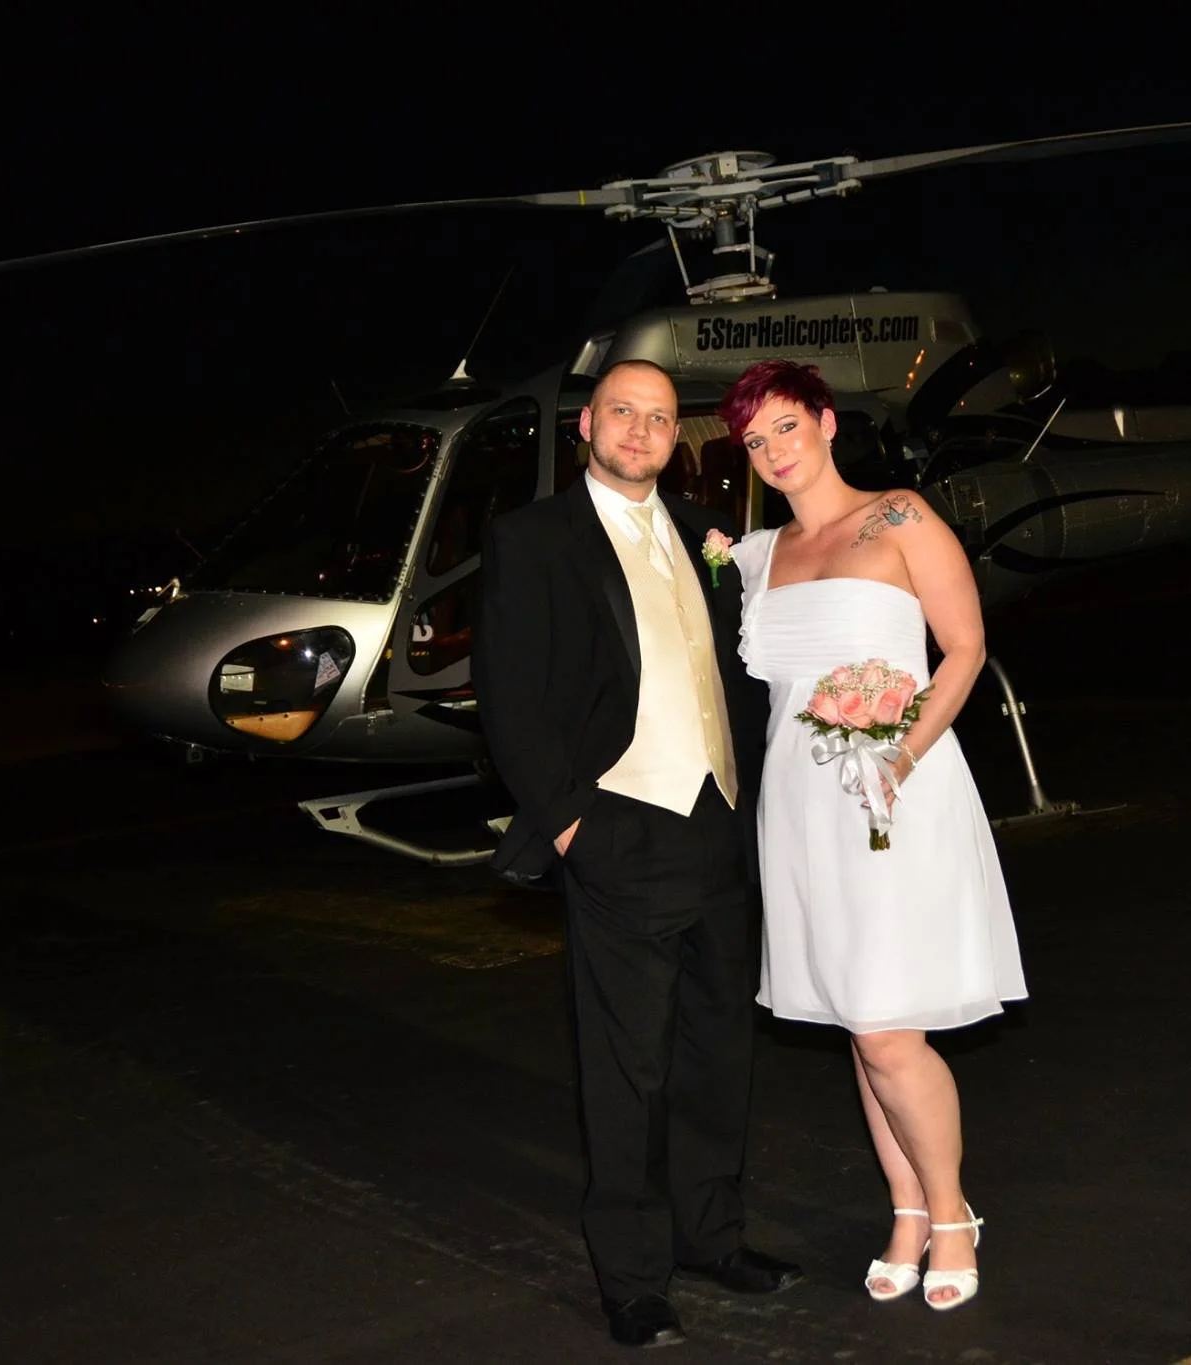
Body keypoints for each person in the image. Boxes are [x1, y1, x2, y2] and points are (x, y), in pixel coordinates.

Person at [472, 358, 802, 1348]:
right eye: (623, 412)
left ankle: (711, 1236)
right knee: (628, 1069)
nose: (640, 430)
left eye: (659, 417)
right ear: (586, 424)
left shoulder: (705, 531)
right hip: (620, 825)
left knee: (717, 1050)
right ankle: (632, 1277)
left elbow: (739, 671)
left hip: (719, 822)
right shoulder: (532, 538)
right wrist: (570, 820)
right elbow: (509, 694)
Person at [719, 359, 1027, 1312]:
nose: (774, 450)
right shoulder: (760, 553)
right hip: (799, 807)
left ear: (825, 421)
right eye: (754, 440)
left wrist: (900, 753)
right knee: (861, 1019)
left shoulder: (899, 514)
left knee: (890, 1030)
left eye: (786, 425)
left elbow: (964, 648)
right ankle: (905, 1209)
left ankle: (951, 1214)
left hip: (895, 792)